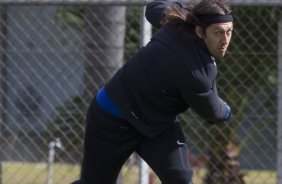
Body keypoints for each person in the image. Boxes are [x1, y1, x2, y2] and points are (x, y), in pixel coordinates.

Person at [73, 0, 233, 183]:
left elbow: (153, 7)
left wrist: (185, 10)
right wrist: (227, 111)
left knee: (180, 180)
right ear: (199, 31)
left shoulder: (177, 25)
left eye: (229, 31)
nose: (225, 40)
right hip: (112, 118)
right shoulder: (198, 72)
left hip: (158, 125)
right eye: (218, 32)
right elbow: (212, 112)